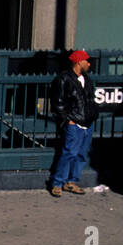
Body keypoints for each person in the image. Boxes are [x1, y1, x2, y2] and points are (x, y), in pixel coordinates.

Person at [49, 49, 98, 197]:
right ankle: (58, 183)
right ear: (78, 62)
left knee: (81, 154)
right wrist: (68, 120)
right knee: (69, 152)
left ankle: (71, 181)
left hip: (86, 122)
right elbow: (58, 102)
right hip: (75, 122)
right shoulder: (64, 79)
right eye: (86, 61)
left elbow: (89, 99)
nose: (89, 64)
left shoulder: (86, 79)